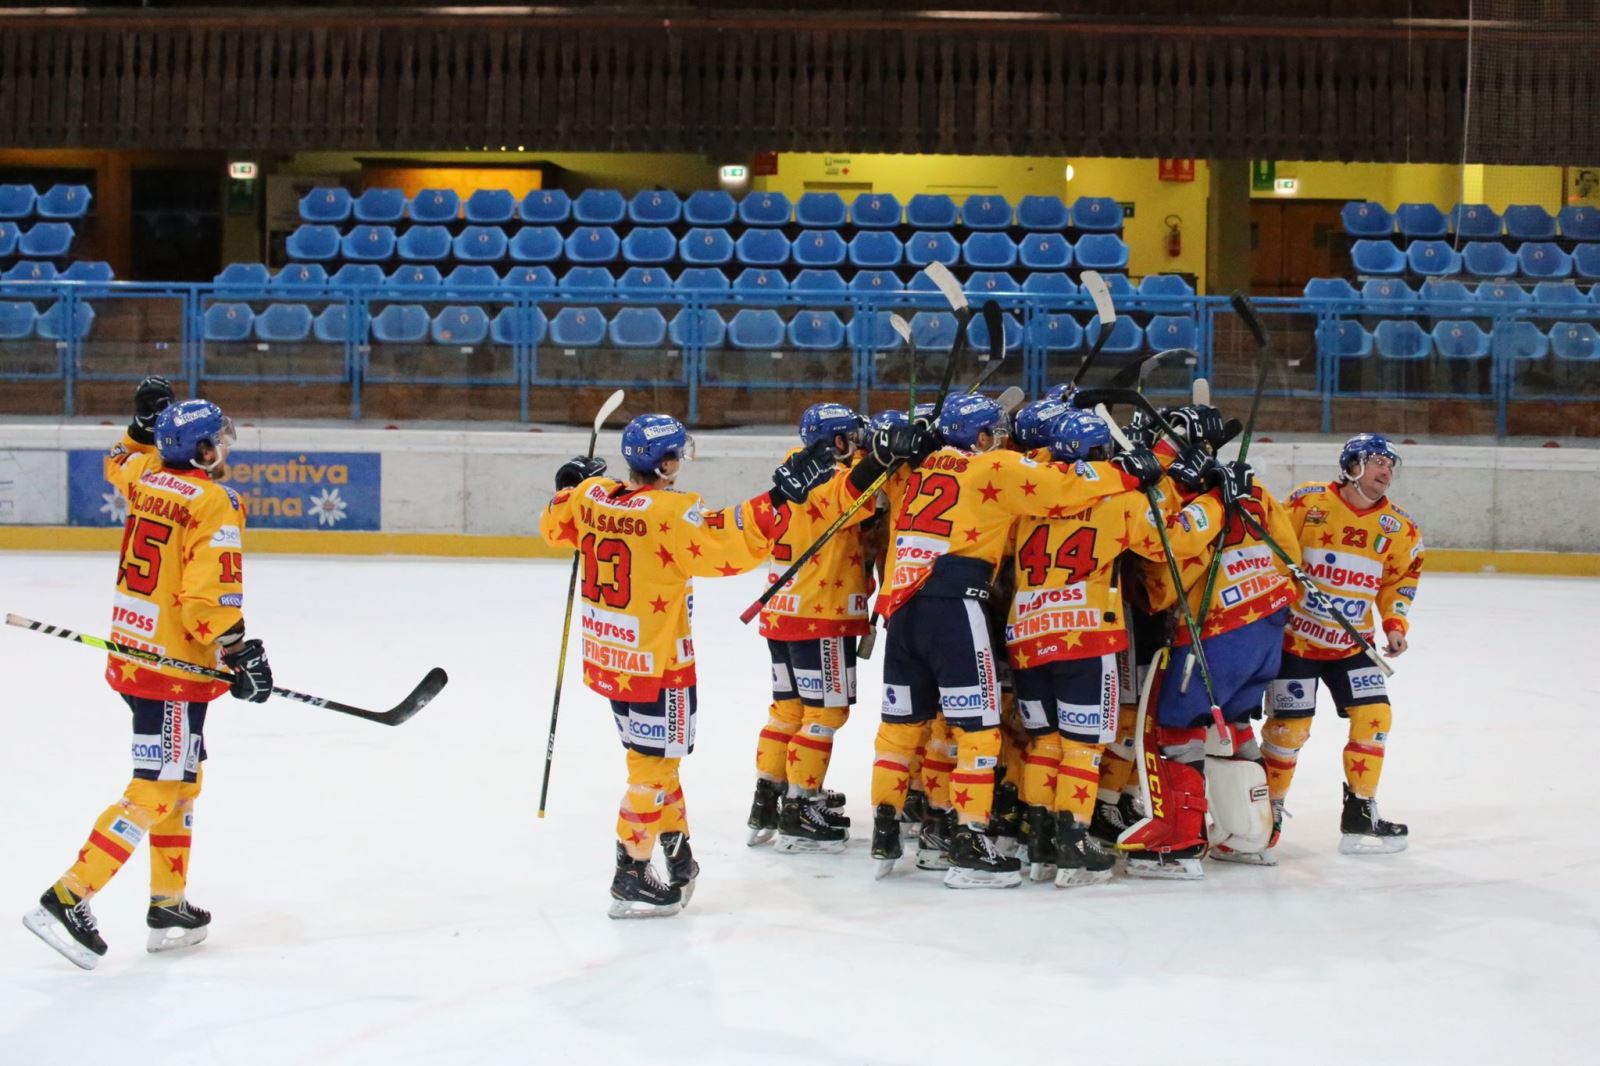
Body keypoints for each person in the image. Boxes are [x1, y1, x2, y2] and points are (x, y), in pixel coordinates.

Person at [540, 413, 836, 918]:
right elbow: (728, 543)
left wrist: (570, 484)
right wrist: (781, 498)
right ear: (669, 463)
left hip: (613, 659)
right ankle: (630, 874)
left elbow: (554, 524)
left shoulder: (592, 496)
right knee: (652, 771)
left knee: (653, 763)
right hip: (658, 663)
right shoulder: (673, 513)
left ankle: (678, 855)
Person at [23, 379, 273, 970]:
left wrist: (138, 428)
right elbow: (206, 599)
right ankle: (67, 897)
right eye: (217, 439)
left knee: (182, 781)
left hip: (137, 651)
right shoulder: (215, 502)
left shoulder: (146, 476)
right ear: (204, 451)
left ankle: (168, 904)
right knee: (158, 785)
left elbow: (121, 460)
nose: (225, 446)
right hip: (174, 665)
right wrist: (240, 653)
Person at [864, 392, 1162, 888]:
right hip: (956, 607)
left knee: (899, 729)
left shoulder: (914, 470)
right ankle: (970, 843)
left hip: (901, 609)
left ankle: (885, 832)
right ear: (980, 438)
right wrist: (1127, 472)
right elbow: (1061, 489)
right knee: (978, 733)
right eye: (995, 434)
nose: (1003, 441)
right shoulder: (993, 467)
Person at [1005, 409, 1220, 887]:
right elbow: (1175, 541)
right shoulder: (1120, 504)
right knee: (1083, 748)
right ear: (1103, 455)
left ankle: (1039, 845)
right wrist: (1215, 503)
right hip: (1086, 637)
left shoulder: (1028, 497)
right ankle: (1074, 846)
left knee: (1045, 742)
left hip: (1026, 636)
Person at [1119, 404, 1300, 880]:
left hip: (1218, 631)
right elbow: (1289, 552)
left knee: (1174, 727)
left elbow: (1168, 547)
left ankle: (1179, 839)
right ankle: (1252, 835)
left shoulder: (1191, 493)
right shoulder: (1251, 485)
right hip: (1266, 627)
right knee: (1234, 725)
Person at [1261, 433, 1420, 855]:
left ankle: (1360, 814)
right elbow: (1272, 547)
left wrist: (1395, 622)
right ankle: (1265, 813)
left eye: (1390, 464)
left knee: (1376, 717)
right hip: (1296, 642)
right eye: (1376, 462)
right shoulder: (1308, 502)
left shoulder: (1400, 528)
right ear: (1352, 466)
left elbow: (1401, 578)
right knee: (1288, 731)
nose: (1386, 471)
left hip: (1353, 645)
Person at [746, 402, 871, 854]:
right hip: (822, 613)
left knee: (788, 711)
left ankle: (769, 798)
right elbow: (866, 497)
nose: (857, 445)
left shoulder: (792, 466)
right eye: (851, 439)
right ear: (836, 442)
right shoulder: (833, 481)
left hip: (782, 609)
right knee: (824, 714)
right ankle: (800, 808)